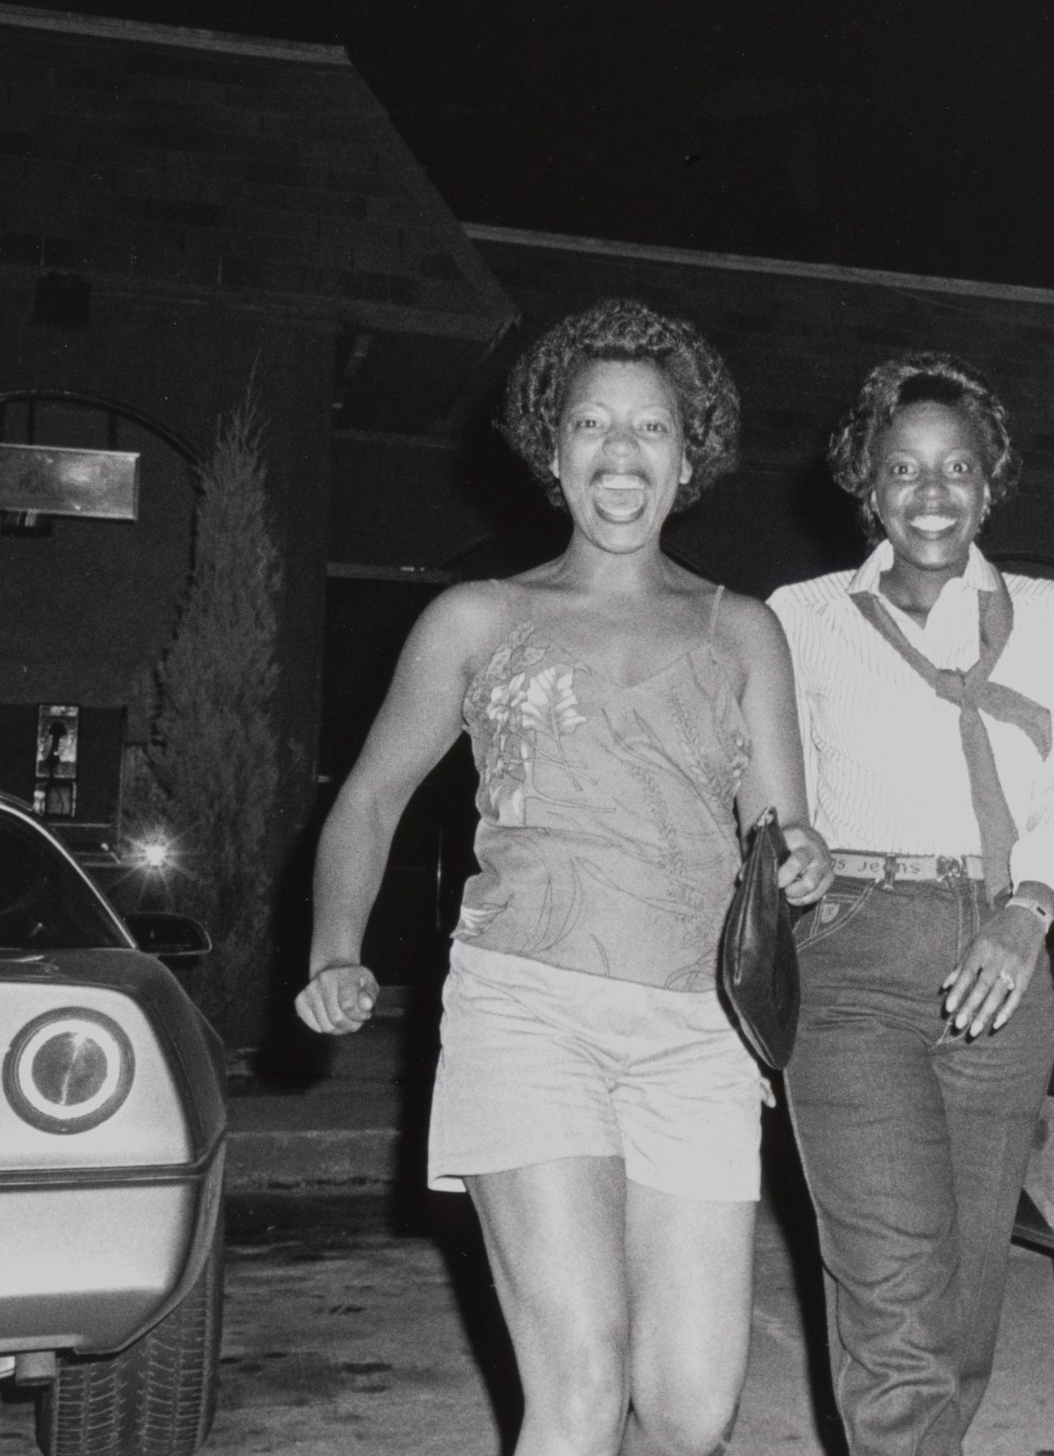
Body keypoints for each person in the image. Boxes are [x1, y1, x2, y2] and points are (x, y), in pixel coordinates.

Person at [295, 298, 831, 1456]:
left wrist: (801, 861)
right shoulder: (479, 618)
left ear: (689, 457)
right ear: (552, 450)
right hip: (525, 1011)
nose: (620, 453)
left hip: (697, 1029)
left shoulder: (742, 631)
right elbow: (370, 800)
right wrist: (336, 949)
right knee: (580, 1392)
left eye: (649, 428)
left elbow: (781, 833)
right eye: (592, 424)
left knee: (690, 1413)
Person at [767, 352, 1054, 1456]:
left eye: (956, 467)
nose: (931, 492)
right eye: (903, 469)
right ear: (864, 487)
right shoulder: (799, 616)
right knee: (895, 1295)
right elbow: (768, 796)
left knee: (962, 1309)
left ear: (989, 481)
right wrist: (789, 844)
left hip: (1004, 961)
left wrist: (1025, 915)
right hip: (854, 958)